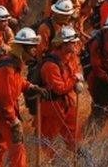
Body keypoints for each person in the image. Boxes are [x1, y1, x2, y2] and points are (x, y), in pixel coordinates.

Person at [0, 27, 44, 167]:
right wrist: (14, 121)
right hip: (3, 113)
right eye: (31, 48)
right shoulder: (7, 68)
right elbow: (5, 98)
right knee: (17, 147)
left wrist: (30, 86)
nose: (34, 51)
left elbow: (16, 83)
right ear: (22, 49)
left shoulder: (13, 64)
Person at [39, 26, 84, 156]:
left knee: (74, 137)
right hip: (53, 107)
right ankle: (49, 163)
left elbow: (74, 71)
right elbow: (59, 89)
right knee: (47, 141)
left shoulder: (70, 57)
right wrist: (75, 80)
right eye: (72, 42)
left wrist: (75, 80)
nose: (75, 44)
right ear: (63, 45)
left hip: (68, 104)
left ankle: (77, 158)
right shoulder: (50, 65)